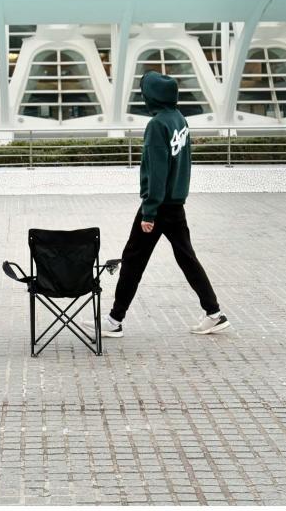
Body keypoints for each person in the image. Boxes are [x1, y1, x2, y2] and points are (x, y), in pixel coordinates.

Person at [84, 70, 230, 338]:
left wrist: (149, 212)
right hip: (175, 204)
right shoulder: (179, 119)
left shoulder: (157, 125)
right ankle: (214, 313)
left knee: (133, 260)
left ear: (151, 97)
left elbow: (158, 171)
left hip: (158, 206)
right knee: (187, 258)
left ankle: (114, 320)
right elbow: (183, 164)